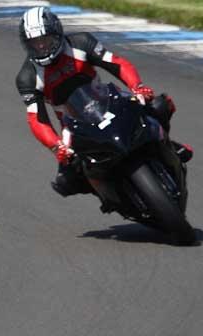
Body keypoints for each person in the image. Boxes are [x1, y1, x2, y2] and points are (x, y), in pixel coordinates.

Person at [15, 6, 193, 197]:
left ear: (57, 34)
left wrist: (137, 87)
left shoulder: (81, 42)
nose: (41, 46)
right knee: (66, 182)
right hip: (73, 124)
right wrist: (56, 146)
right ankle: (110, 196)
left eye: (45, 40)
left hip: (108, 100)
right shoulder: (27, 77)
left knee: (159, 105)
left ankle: (169, 145)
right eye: (35, 43)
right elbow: (37, 119)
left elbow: (116, 63)